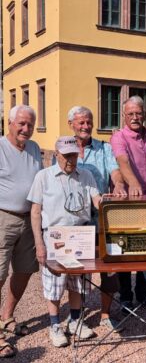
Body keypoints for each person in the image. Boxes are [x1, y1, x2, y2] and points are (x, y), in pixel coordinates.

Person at [27, 136, 102, 348]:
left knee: (77, 283)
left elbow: (97, 200)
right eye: (66, 155)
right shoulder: (44, 176)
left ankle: (75, 321)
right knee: (54, 284)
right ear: (56, 154)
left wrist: (106, 201)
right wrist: (39, 244)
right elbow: (35, 212)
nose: (70, 160)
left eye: (74, 155)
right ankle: (54, 325)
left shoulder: (86, 175)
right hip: (55, 236)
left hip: (80, 236)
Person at [68, 106, 126, 331]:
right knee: (77, 269)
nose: (85, 126)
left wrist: (119, 184)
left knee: (109, 268)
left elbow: (115, 170)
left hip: (102, 217)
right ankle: (77, 316)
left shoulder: (104, 148)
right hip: (76, 219)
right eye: (81, 122)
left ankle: (104, 315)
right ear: (71, 124)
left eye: (89, 122)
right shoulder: (64, 147)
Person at [0, 105, 42, 358]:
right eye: (21, 124)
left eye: (30, 125)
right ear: (10, 123)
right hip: (3, 218)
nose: (26, 129)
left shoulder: (35, 148)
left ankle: (7, 317)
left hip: (30, 219)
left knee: (25, 270)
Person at [110, 96, 146, 311]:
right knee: (125, 249)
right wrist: (134, 184)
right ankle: (126, 296)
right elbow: (123, 161)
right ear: (124, 116)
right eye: (130, 114)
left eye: (138, 113)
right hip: (130, 202)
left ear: (145, 114)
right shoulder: (119, 137)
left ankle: (143, 294)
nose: (135, 117)